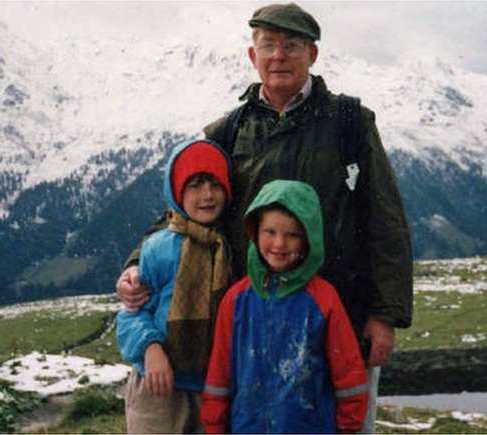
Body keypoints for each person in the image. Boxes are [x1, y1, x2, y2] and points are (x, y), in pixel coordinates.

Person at [116, 3, 413, 431]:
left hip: (340, 319)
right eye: (268, 45)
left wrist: (384, 316)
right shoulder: (229, 131)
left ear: (312, 54)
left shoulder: (349, 123)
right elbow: (185, 211)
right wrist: (133, 268)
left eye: (291, 45)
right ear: (252, 56)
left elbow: (386, 220)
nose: (279, 56)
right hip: (254, 325)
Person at [202, 179, 368, 433]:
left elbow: (348, 373)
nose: (279, 244)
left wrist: (348, 426)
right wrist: (214, 426)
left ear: (307, 240)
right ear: (255, 232)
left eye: (292, 235)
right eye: (270, 232)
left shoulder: (324, 300)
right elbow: (219, 375)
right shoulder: (236, 300)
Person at [116, 139, 233, 433]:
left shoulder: (231, 248)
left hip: (215, 389)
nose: (207, 195)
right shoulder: (158, 249)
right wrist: (150, 348)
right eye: (194, 185)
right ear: (177, 191)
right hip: (157, 386)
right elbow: (130, 314)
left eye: (215, 184)